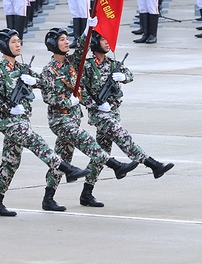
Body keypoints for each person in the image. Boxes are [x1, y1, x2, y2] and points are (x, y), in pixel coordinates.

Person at [0, 28, 90, 217]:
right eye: (14, 42)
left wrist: (34, 81)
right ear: (4, 46)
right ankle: (66, 168)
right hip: (9, 122)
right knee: (36, 141)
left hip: (23, 120)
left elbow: (46, 82)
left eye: (18, 41)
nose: (18, 45)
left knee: (10, 163)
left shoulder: (22, 69)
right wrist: (8, 108)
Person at [39, 27, 138, 211]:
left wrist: (88, 30)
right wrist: (67, 101)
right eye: (62, 40)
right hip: (60, 119)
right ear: (53, 44)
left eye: (67, 38)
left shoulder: (72, 62)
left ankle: (51, 198)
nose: (66, 42)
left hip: (74, 118)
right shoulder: (48, 70)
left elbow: (82, 48)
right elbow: (48, 97)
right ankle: (115, 165)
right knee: (87, 140)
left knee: (62, 159)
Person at [79, 31, 173, 206]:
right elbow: (79, 90)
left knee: (101, 154)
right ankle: (152, 164)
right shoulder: (88, 66)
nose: (107, 42)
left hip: (113, 112)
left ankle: (86, 193)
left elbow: (129, 75)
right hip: (99, 114)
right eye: (103, 40)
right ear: (95, 43)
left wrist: (124, 77)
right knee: (122, 135)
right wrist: (94, 105)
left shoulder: (113, 63)